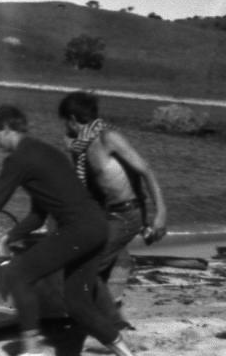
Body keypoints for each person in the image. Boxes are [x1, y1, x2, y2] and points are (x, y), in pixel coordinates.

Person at [0, 104, 147, 356]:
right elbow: (39, 212)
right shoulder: (45, 152)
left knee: (19, 273)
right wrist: (11, 236)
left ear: (6, 129)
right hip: (96, 228)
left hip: (79, 230)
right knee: (78, 303)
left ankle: (31, 355)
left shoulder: (18, 158)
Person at [57, 91, 167, 333]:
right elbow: (88, 192)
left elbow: (145, 171)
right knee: (97, 263)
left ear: (73, 119)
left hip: (128, 214)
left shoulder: (108, 138)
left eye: (65, 122)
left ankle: (115, 326)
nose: (65, 128)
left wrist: (160, 215)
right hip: (112, 213)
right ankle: (104, 316)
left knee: (90, 269)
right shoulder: (83, 148)